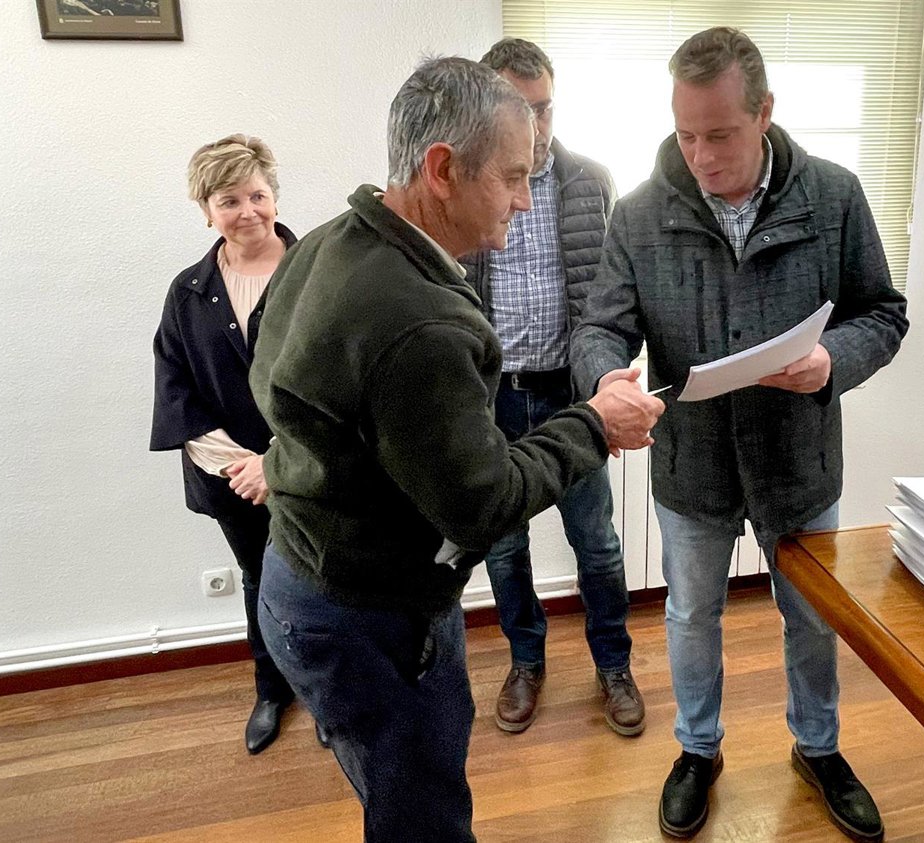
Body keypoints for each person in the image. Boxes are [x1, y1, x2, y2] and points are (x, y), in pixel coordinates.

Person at [249, 58, 665, 842]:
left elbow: (267, 376)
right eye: (511, 176)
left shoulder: (329, 241)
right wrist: (596, 423)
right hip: (367, 614)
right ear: (442, 170)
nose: (523, 198)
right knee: (422, 816)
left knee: (393, 783)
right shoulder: (422, 322)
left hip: (300, 575)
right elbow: (484, 505)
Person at [570, 28, 909, 842]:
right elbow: (599, 327)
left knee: (814, 617)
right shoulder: (639, 213)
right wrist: (606, 378)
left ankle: (819, 747)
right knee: (692, 616)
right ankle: (697, 748)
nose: (702, 156)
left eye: (720, 134)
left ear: (764, 113)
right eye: (686, 135)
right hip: (693, 465)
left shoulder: (834, 197)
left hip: (798, 460)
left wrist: (830, 361)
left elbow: (883, 313)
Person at [458, 37, 643, 737]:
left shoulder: (592, 181)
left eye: (545, 108)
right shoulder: (467, 186)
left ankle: (614, 665)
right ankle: (526, 662)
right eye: (520, 108)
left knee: (597, 542)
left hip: (571, 397)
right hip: (492, 400)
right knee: (504, 546)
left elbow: (616, 301)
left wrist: (606, 385)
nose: (537, 125)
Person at [149, 134, 328, 755]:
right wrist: (244, 468)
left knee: (322, 582)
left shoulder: (321, 275)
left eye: (257, 195)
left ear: (274, 195)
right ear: (207, 211)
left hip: (316, 471)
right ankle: (272, 689)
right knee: (260, 581)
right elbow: (175, 392)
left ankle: (327, 694)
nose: (248, 211)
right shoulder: (188, 293)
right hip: (233, 480)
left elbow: (345, 379)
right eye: (229, 200)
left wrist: (279, 464)